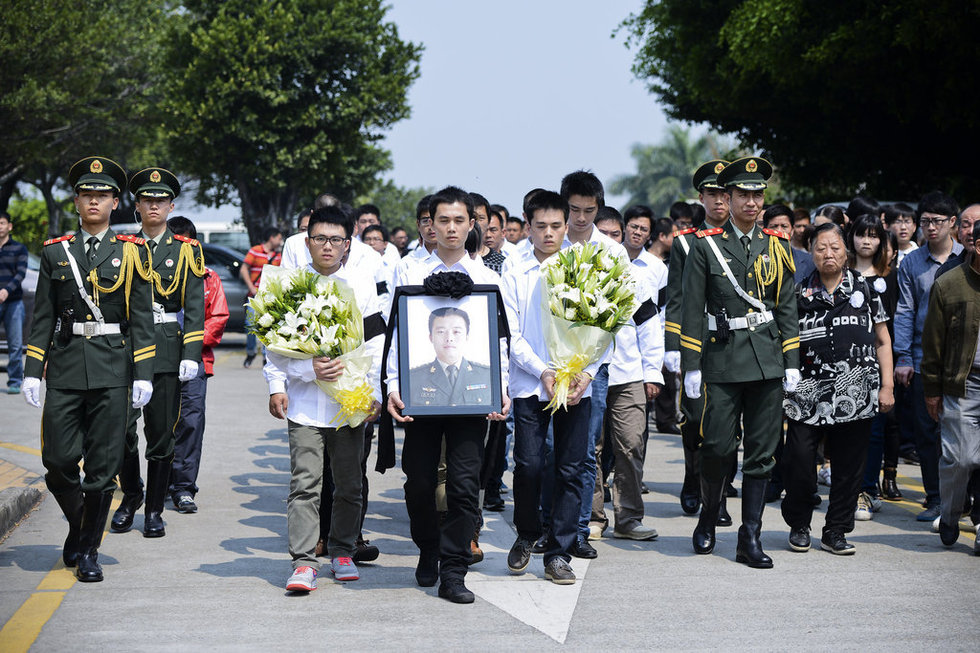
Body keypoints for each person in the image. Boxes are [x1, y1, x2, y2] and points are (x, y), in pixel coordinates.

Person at [22, 156, 156, 582]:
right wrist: (31, 368)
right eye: (86, 194)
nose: (94, 201)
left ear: (115, 203)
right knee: (57, 460)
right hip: (63, 368)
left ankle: (89, 551)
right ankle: (80, 525)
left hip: (114, 369)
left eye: (102, 195)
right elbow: (42, 316)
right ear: (76, 201)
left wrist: (144, 374)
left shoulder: (132, 252)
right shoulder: (55, 251)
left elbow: (142, 320)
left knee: (102, 466)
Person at [386, 186, 509, 604]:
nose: (451, 228)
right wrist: (392, 386)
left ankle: (454, 570)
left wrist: (501, 388)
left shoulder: (489, 277)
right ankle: (428, 548)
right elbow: (396, 336)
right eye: (443, 221)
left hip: (472, 398)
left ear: (471, 224)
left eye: (460, 220)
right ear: (431, 225)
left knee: (462, 486)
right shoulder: (407, 271)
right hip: (421, 396)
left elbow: (501, 340)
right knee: (419, 482)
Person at [680, 156, 800, 568]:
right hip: (721, 358)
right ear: (726, 198)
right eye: (743, 195)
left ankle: (750, 536)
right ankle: (709, 517)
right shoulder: (705, 245)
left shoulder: (777, 245)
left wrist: (792, 360)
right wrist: (691, 365)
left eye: (757, 195)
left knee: (763, 452)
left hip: (766, 359)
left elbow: (785, 307)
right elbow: (692, 307)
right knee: (715, 446)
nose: (751, 202)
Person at [265, 205, 385, 590]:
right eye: (319, 239)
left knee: (350, 484)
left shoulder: (363, 286)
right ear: (307, 241)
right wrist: (286, 382)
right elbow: (274, 350)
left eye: (335, 240)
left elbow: (378, 346)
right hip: (304, 404)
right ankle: (303, 561)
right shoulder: (290, 287)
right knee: (305, 484)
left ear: (347, 244)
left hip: (348, 405)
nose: (327, 246)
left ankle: (343, 550)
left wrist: (374, 394)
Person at [502, 190, 606, 584]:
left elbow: (603, 328)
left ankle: (559, 553)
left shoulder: (586, 268)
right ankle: (528, 532)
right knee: (528, 465)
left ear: (568, 226)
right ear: (527, 227)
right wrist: (542, 370)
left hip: (575, 385)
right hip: (531, 385)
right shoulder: (514, 273)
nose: (549, 233)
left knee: (570, 468)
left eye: (556, 226)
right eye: (540, 226)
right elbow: (511, 334)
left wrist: (588, 372)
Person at [781, 223, 895, 555]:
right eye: (820, 248)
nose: (828, 254)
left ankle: (836, 530)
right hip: (807, 392)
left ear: (846, 251)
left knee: (848, 467)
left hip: (857, 392)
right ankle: (799, 524)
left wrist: (887, 385)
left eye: (834, 247)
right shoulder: (797, 293)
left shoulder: (867, 288)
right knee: (799, 461)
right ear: (811, 253)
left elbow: (884, 341)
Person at [111, 168, 206, 536]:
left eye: (160, 200)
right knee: (119, 431)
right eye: (147, 200)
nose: (154, 206)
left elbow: (195, 307)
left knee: (162, 433)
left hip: (166, 347)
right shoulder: (119, 248)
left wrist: (190, 353)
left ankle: (153, 509)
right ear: (136, 205)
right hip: (124, 348)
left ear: (170, 206)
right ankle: (132, 494)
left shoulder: (186, 251)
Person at [663, 160, 735, 519]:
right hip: (697, 343)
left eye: (725, 193)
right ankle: (693, 476)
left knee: (728, 424)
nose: (719, 201)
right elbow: (676, 299)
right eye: (712, 194)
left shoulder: (746, 241)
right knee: (694, 419)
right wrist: (673, 346)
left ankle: (717, 498)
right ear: (701, 198)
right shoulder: (685, 243)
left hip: (735, 344)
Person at [893, 191, 963, 522]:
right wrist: (903, 357)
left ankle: (962, 500)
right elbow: (904, 310)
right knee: (927, 432)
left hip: (963, 360)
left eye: (937, 221)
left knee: (962, 432)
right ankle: (935, 499)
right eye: (925, 222)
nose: (930, 228)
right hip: (923, 359)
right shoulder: (911, 262)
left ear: (953, 222)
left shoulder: (968, 257)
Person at [921, 221, 980, 554]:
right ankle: (950, 513)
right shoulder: (949, 284)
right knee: (960, 458)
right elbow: (933, 343)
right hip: (963, 382)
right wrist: (931, 388)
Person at [166, 216, 229, 513]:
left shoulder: (208, 277)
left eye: (186, 242)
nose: (180, 247)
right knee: (160, 425)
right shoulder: (151, 273)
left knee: (191, 422)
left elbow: (218, 317)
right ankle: (158, 484)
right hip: (155, 361)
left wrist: (189, 342)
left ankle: (183, 488)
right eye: (174, 241)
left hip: (195, 359)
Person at [846, 214, 902, 514]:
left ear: (882, 240)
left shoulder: (891, 275)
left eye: (874, 235)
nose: (866, 241)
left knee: (876, 431)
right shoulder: (840, 273)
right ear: (851, 237)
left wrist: (889, 378)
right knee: (847, 433)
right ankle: (851, 490)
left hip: (879, 362)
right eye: (860, 234)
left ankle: (867, 490)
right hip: (845, 365)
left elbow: (893, 328)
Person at [408, 307, 493, 407]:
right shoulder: (413, 378)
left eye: (456, 332)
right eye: (441, 332)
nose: (449, 338)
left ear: (467, 336)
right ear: (431, 337)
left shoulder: (487, 376)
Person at [241, 226, 283, 367]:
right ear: (272, 237)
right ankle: (251, 353)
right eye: (279, 237)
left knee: (268, 328)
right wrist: (251, 288)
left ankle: (266, 357)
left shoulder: (278, 256)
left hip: (269, 298)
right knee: (251, 326)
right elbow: (244, 269)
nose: (280, 241)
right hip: (254, 296)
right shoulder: (255, 251)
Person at [0, 211, 28, 394]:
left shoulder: (19, 248)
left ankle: (15, 381)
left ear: (9, 226)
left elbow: (21, 273)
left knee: (15, 344)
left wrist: (6, 290)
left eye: (1, 223)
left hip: (14, 302)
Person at [763, 205, 816, 283]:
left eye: (784, 226)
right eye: (774, 226)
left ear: (792, 231)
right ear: (765, 230)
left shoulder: (809, 261)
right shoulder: (756, 260)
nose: (779, 231)